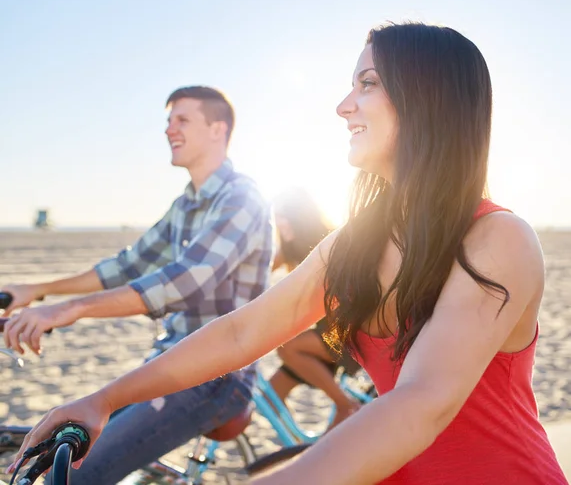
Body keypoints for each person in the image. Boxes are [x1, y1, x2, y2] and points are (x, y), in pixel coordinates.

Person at [10, 24, 567, 484]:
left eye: (367, 83)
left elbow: (422, 401)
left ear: (429, 98)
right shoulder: (357, 243)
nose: (343, 105)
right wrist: (103, 401)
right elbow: (240, 335)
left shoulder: (498, 239)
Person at [2, 85, 274, 485]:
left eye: (182, 120)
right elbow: (127, 266)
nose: (169, 129)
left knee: (79, 474)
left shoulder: (242, 199)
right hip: (168, 364)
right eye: (168, 121)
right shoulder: (186, 204)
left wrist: (67, 310)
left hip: (216, 378)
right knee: (52, 442)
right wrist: (39, 290)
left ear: (218, 129)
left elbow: (182, 283)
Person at [268, 187, 361, 426]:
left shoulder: (328, 241)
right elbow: (261, 270)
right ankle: (297, 449)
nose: (280, 222)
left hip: (342, 331)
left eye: (284, 216)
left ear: (300, 217)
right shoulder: (289, 247)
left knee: (287, 348)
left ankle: (346, 404)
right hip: (324, 331)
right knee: (271, 395)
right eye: (276, 217)